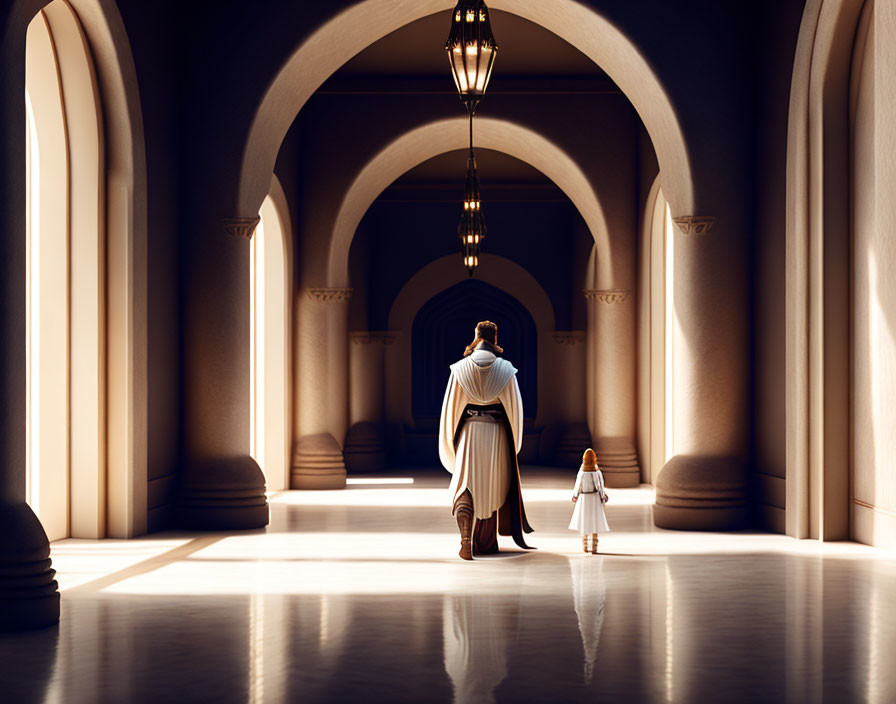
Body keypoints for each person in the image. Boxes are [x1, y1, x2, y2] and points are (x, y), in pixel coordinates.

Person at [438, 320, 534, 560]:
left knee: (465, 484)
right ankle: (486, 543)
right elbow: (514, 409)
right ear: (495, 338)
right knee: (492, 486)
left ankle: (465, 539)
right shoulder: (505, 369)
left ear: (476, 335)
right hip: (497, 434)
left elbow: (451, 408)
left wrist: (452, 442)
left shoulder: (460, 368)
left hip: (469, 432)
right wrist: (514, 441)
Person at [569, 448, 609, 554]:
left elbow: (577, 485)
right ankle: (595, 546)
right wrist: (602, 496)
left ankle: (585, 546)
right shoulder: (597, 472)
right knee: (594, 520)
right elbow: (600, 486)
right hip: (594, 498)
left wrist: (575, 495)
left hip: (584, 498)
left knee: (585, 521)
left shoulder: (582, 472)